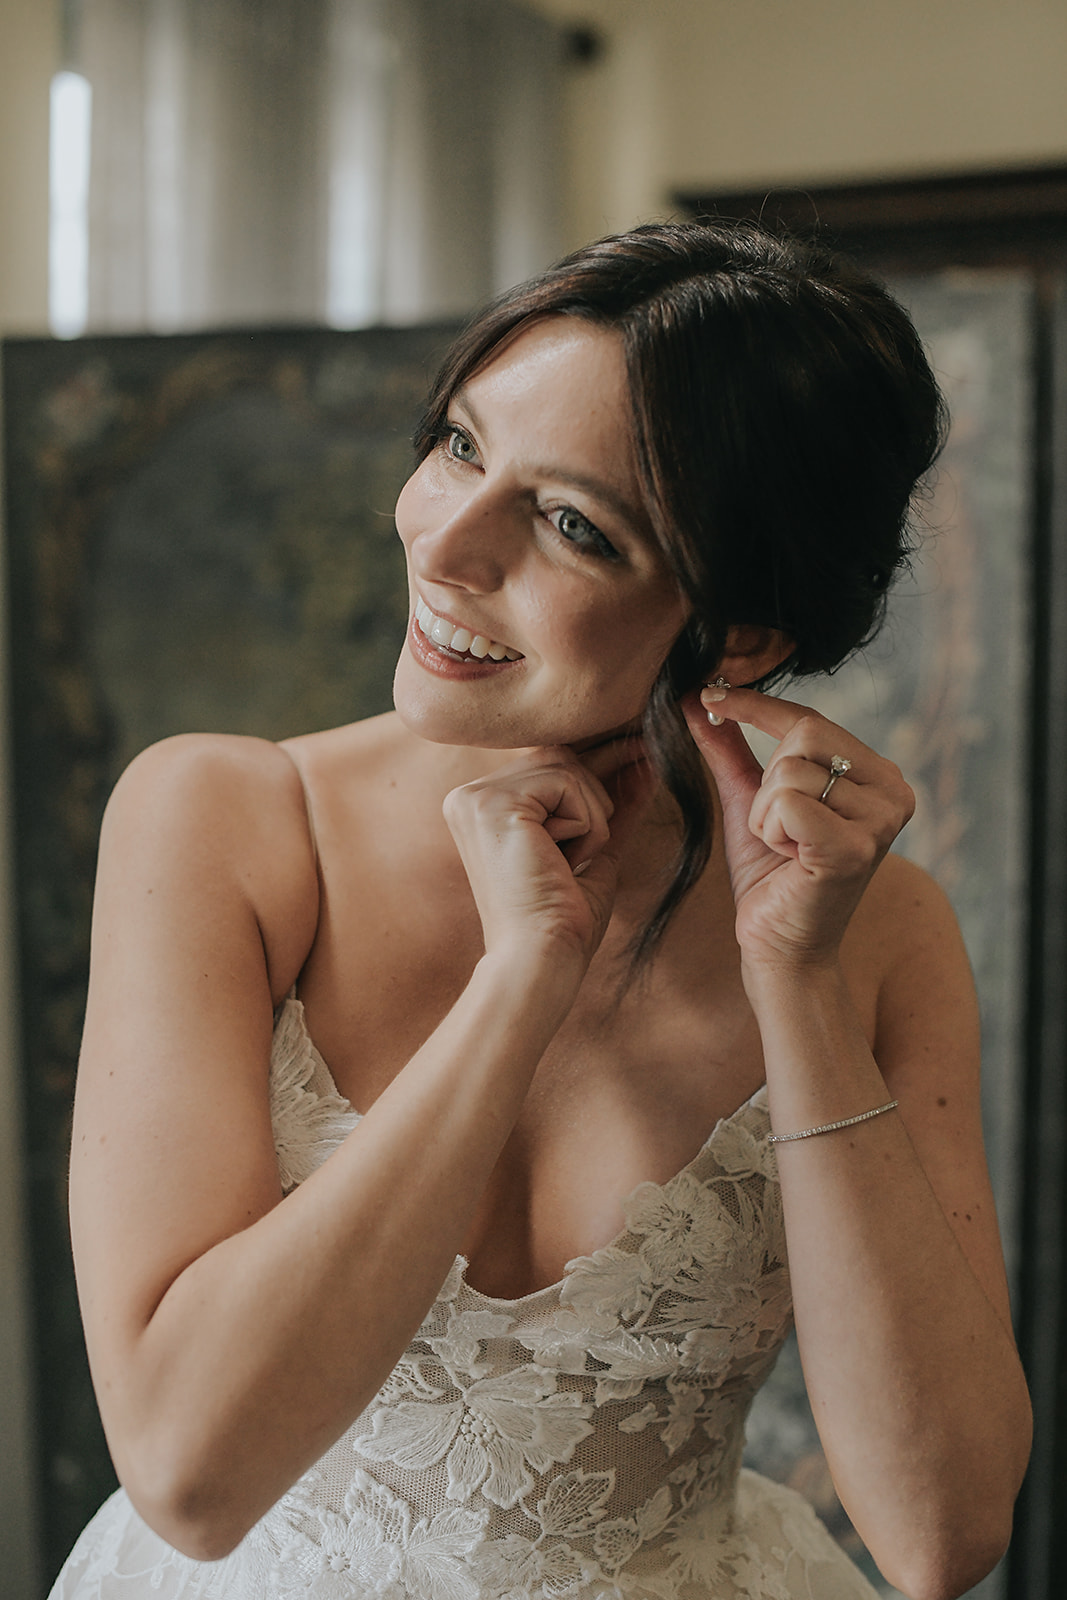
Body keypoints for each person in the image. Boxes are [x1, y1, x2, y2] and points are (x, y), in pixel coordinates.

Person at [50, 221, 1030, 1600]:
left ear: (738, 634)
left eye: (571, 524)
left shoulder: (875, 933)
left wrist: (794, 985)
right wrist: (523, 977)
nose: (446, 545)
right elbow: (193, 1473)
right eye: (459, 444)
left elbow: (942, 1533)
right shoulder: (224, 824)